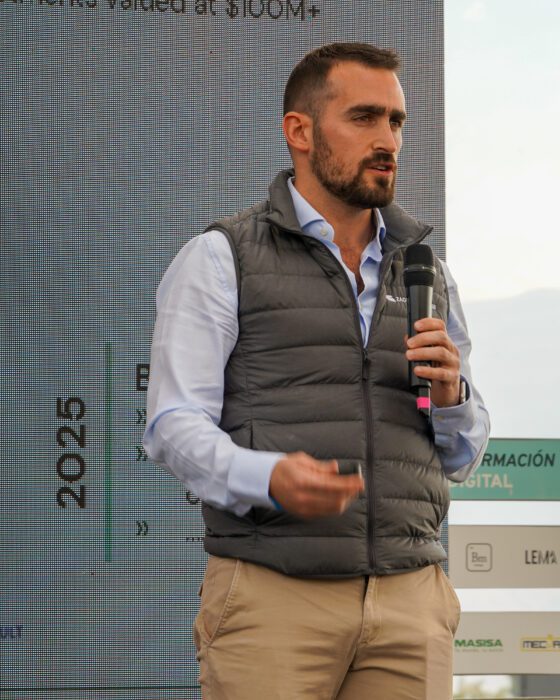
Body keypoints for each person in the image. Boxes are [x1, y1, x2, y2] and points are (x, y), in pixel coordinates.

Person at [144, 42, 490, 700]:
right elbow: (172, 424)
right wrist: (268, 477)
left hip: (411, 600)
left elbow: (463, 455)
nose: (387, 140)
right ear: (299, 131)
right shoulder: (221, 257)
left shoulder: (428, 273)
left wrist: (451, 396)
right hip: (273, 595)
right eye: (364, 118)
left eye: (396, 121)